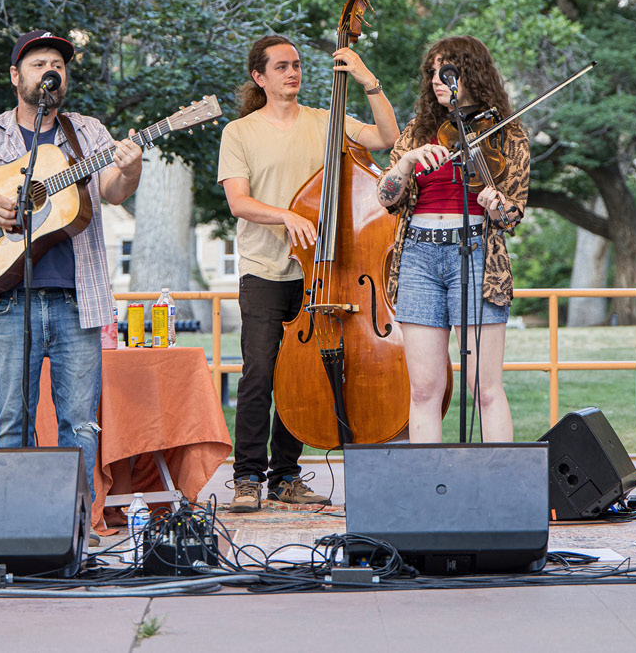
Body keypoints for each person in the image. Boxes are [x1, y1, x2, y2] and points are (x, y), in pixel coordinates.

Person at [0, 30, 142, 506]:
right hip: (9, 300)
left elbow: (116, 192)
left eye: (56, 64)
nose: (49, 72)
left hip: (76, 301)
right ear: (16, 76)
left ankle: (77, 521)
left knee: (78, 422)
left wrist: (131, 165)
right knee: (12, 419)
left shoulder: (89, 133)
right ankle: (9, 517)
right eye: (38, 64)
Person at [216, 34, 401, 512]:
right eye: (281, 67)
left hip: (323, 274)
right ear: (260, 77)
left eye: (296, 65)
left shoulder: (327, 120)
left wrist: (366, 79)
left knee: (306, 374)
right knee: (259, 373)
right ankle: (246, 477)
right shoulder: (240, 132)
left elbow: (387, 139)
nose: (293, 73)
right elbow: (239, 201)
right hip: (265, 270)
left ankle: (285, 476)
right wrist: (286, 214)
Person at [376, 36, 529, 443]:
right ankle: (432, 491)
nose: (436, 81)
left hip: (477, 254)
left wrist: (496, 204)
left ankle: (498, 488)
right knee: (425, 388)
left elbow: (512, 216)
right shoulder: (417, 131)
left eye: (445, 72)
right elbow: (385, 197)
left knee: (485, 389)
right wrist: (406, 162)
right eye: (432, 73)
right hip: (418, 258)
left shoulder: (506, 134)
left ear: (470, 73)